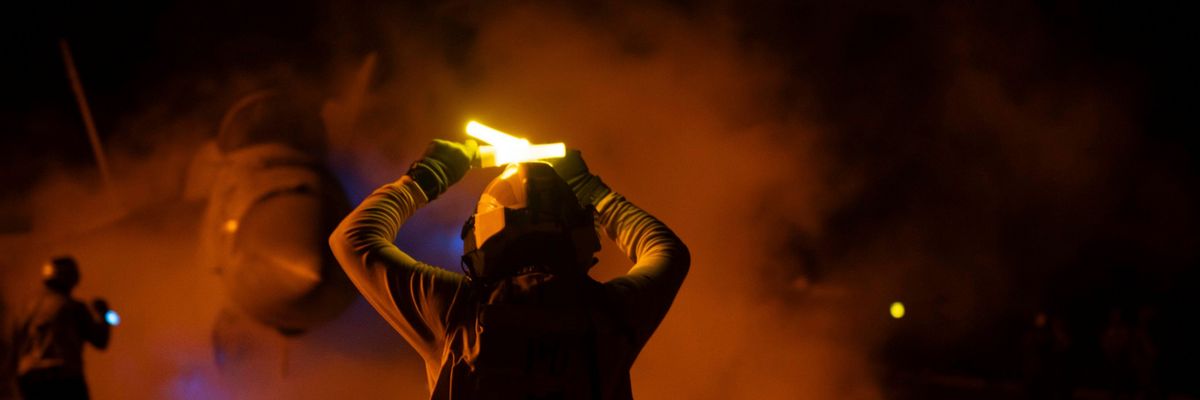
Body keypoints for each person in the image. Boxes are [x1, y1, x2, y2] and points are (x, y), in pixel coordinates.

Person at [330, 139, 690, 399]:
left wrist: (428, 175)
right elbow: (668, 252)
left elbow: (353, 239)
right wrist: (592, 189)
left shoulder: (456, 310)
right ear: (581, 232)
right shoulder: (611, 313)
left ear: (480, 235)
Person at [10, 256, 111, 399]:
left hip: (29, 379)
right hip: (64, 378)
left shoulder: (24, 309)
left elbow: (13, 347)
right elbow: (100, 341)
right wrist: (103, 314)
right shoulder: (72, 307)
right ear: (72, 278)